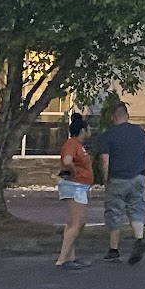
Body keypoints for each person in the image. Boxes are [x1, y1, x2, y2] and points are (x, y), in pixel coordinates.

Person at [97, 103, 145, 265]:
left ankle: (114, 250)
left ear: (113, 117)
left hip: (117, 179)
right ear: (127, 116)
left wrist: (105, 180)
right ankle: (139, 238)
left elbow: (104, 160)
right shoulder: (140, 132)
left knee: (114, 212)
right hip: (138, 177)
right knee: (137, 209)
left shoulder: (108, 135)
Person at [54, 114, 95, 271]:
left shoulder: (78, 145)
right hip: (74, 186)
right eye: (88, 129)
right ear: (82, 130)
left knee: (75, 222)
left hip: (79, 186)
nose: (90, 131)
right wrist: (73, 171)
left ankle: (70, 257)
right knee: (77, 222)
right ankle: (62, 259)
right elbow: (67, 161)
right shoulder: (72, 143)